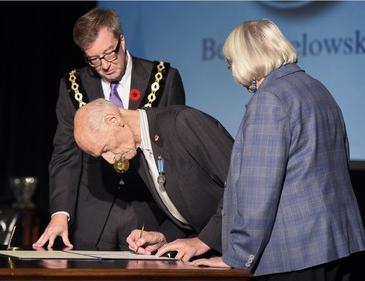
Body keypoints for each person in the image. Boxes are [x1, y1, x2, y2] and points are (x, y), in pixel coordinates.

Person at [191, 19, 365, 281]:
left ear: (247, 58)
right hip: (337, 246)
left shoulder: (269, 99)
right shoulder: (318, 89)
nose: (231, 70)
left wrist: (237, 256)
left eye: (231, 62)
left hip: (294, 255)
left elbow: (259, 192)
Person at [33, 7, 185, 250]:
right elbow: (65, 154)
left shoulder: (163, 79)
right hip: (91, 212)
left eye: (109, 54)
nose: (104, 65)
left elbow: (177, 152)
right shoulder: (74, 86)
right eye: (93, 59)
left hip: (149, 214)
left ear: (121, 40)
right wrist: (60, 214)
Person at [73, 98, 234, 261]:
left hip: (240, 251)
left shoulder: (182, 121)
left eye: (106, 149)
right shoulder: (136, 151)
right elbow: (191, 208)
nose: (110, 160)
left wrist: (204, 241)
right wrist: (164, 236)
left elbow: (242, 186)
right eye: (102, 155)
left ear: (113, 120)